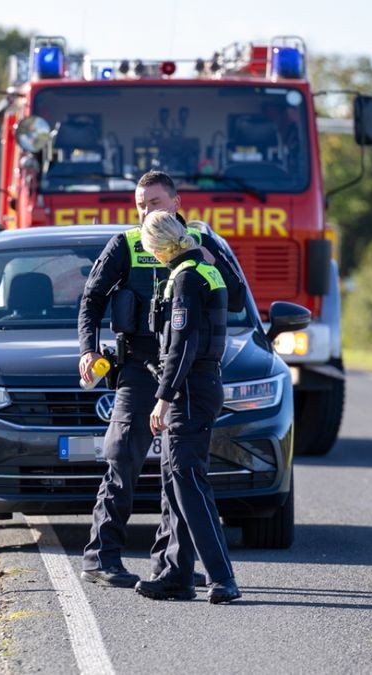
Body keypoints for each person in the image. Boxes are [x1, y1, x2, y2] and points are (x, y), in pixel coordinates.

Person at [76, 172, 180, 588]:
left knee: (182, 470)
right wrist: (88, 348)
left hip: (182, 367)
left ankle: (173, 564)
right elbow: (92, 298)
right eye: (140, 204)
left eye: (154, 202)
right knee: (122, 460)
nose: (145, 211)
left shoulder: (198, 243)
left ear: (174, 201)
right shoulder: (125, 243)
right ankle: (101, 556)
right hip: (137, 365)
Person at [133, 210, 240, 604]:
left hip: (189, 391)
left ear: (158, 247)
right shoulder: (204, 269)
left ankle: (222, 577)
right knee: (174, 483)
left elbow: (183, 344)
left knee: (189, 483)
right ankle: (176, 575)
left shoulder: (185, 279)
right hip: (200, 385)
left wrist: (163, 397)